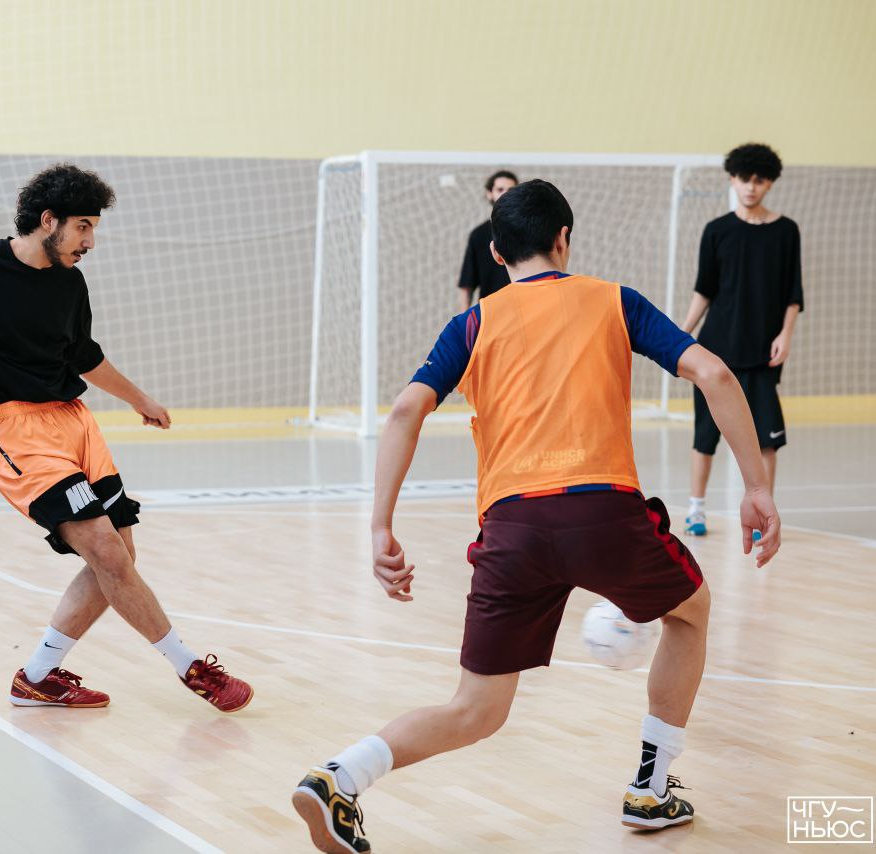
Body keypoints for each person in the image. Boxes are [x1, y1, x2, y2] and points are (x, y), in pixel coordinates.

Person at [291, 180, 781, 852]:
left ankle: (339, 777)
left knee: (475, 710)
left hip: (512, 527)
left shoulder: (473, 323)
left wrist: (379, 526)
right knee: (690, 612)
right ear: (564, 239)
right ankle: (650, 787)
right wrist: (756, 486)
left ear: (496, 253)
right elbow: (715, 375)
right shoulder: (616, 300)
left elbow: (405, 410)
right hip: (604, 512)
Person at [0, 163, 252, 713]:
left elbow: (84, 356)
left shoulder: (69, 281)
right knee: (107, 552)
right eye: (83, 226)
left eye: (93, 228)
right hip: (16, 428)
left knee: (119, 554)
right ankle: (190, 667)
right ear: (49, 220)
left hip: (75, 422)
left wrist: (139, 399)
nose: (90, 241)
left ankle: (37, 676)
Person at [679, 142, 803, 536]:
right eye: (744, 179)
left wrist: (785, 334)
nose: (751, 187)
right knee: (705, 437)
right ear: (732, 179)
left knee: (766, 440)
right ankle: (695, 510)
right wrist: (681, 333)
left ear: (770, 183)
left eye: (759, 180)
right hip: (716, 351)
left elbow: (794, 293)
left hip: (762, 353)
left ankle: (764, 513)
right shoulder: (717, 230)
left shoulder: (786, 231)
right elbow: (704, 290)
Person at [456, 169, 518, 311]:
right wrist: (465, 320)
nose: (505, 194)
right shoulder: (478, 235)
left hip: (522, 310)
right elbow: (467, 283)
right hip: (490, 312)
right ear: (489, 193)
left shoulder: (527, 231)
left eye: (511, 190)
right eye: (500, 189)